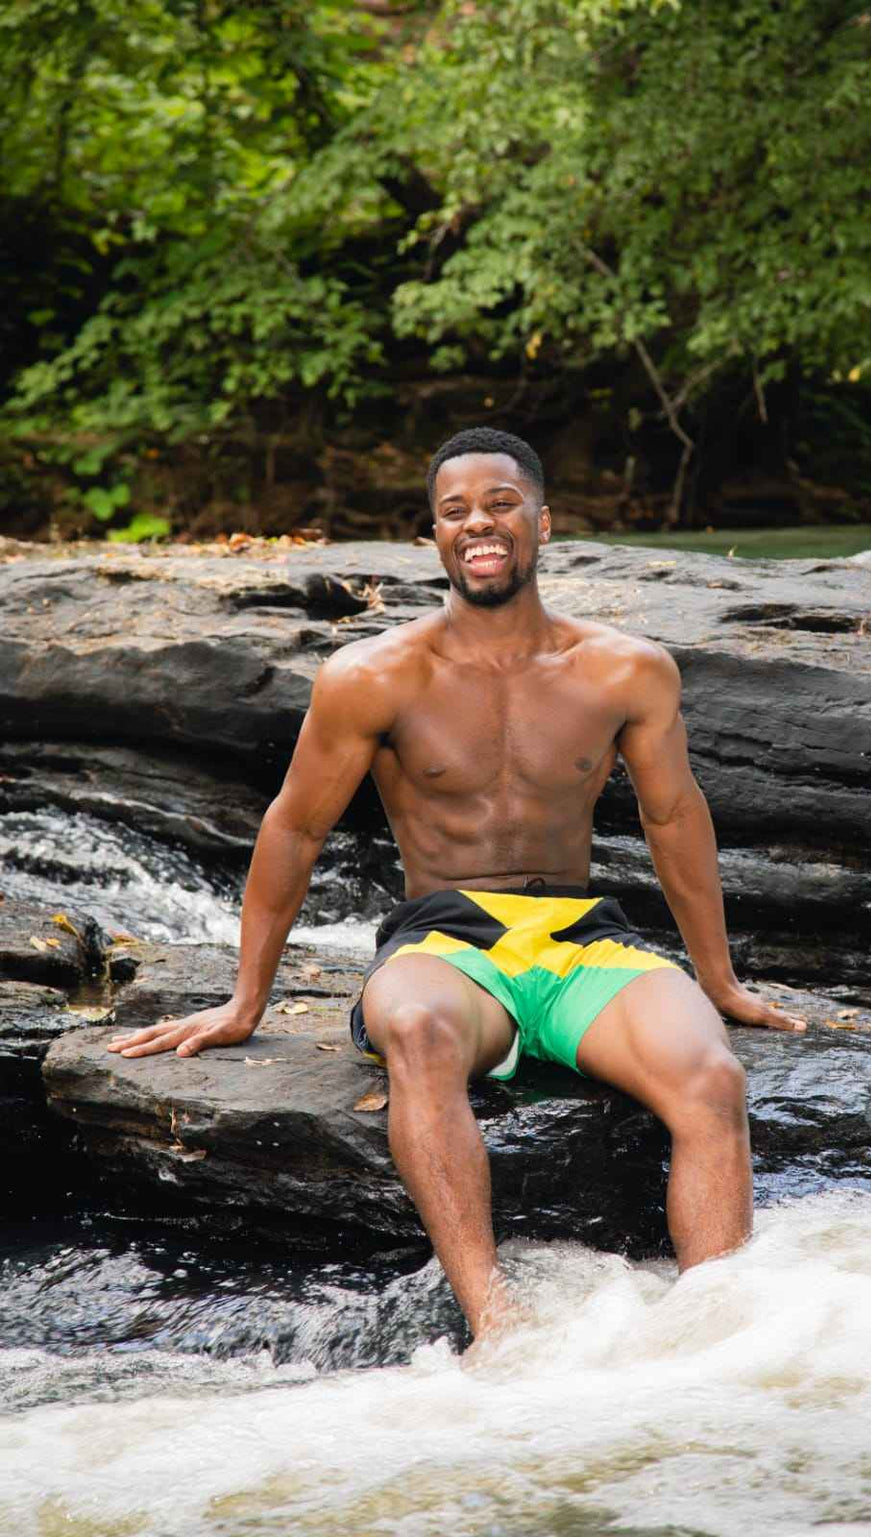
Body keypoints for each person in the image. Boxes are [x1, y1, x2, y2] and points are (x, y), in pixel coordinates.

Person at [109, 427, 806, 1341]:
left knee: (711, 1077)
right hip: (446, 946)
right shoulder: (373, 676)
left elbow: (673, 818)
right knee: (418, 1030)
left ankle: (721, 1340)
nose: (479, 522)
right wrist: (246, 1000)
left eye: (501, 503)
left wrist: (718, 981)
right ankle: (497, 1325)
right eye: (455, 510)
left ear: (543, 523)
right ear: (434, 536)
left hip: (582, 943)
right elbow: (295, 826)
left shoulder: (626, 669)